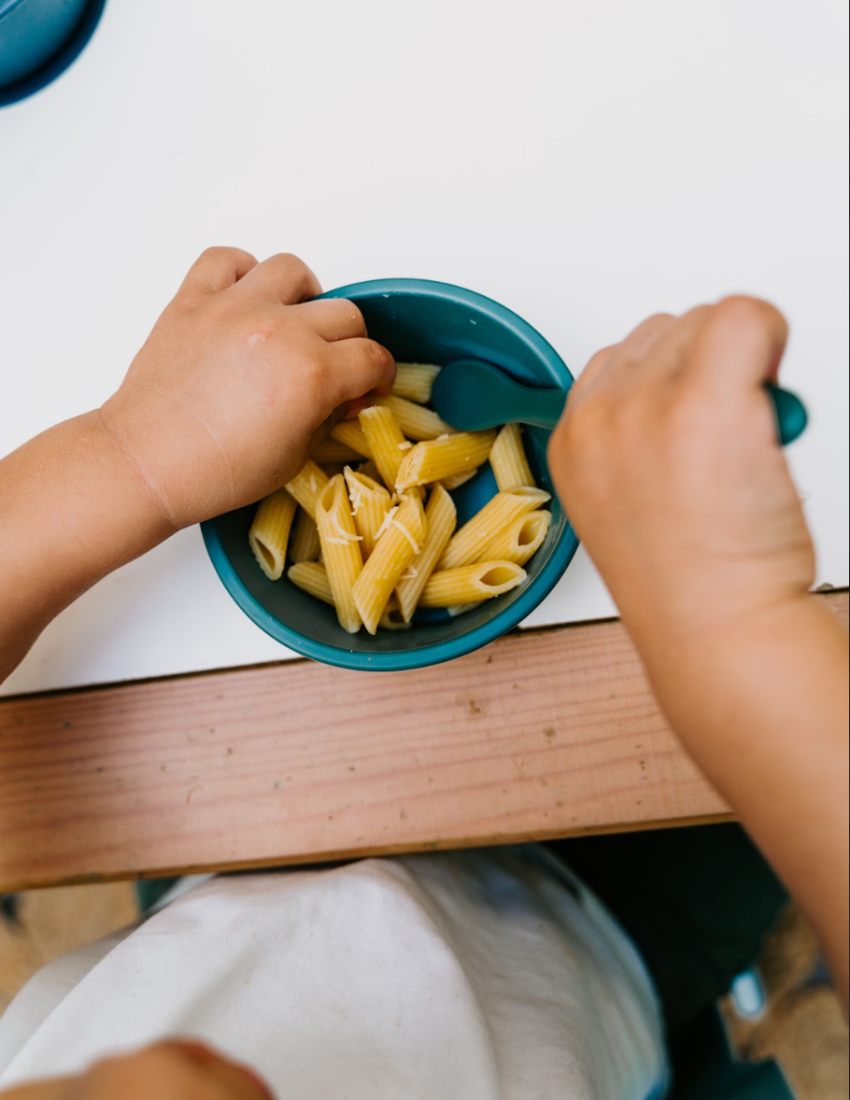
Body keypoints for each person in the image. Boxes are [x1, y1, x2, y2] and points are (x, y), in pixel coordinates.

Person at [0, 250, 846, 1100]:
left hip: (258, 856)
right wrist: (737, 630)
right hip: (605, 964)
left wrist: (130, 456)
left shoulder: (153, 1045)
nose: (153, 1073)